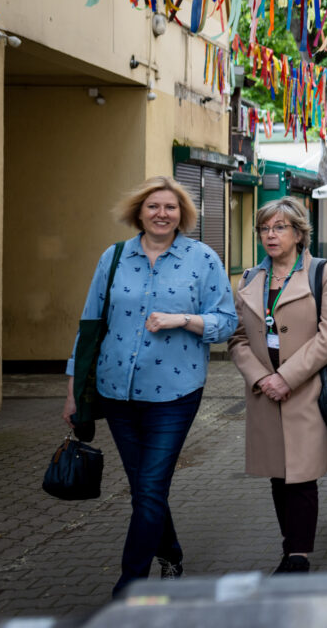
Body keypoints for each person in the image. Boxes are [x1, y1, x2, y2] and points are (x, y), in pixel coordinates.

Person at [63, 176, 237, 597]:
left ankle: (130, 588)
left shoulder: (202, 258)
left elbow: (226, 322)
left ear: (182, 214)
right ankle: (171, 554)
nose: (162, 213)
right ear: (139, 212)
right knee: (145, 489)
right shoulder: (114, 257)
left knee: (151, 486)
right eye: (153, 206)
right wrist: (72, 391)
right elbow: (90, 326)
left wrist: (183, 320)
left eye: (170, 207)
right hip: (116, 392)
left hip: (175, 394)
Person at [229, 197, 327, 575]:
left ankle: (298, 554)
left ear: (298, 234)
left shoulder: (323, 272)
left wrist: (287, 377)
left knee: (301, 475)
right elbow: (237, 339)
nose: (271, 235)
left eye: (279, 227)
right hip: (265, 393)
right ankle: (290, 543)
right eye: (265, 228)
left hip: (307, 388)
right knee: (278, 474)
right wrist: (261, 378)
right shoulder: (250, 278)